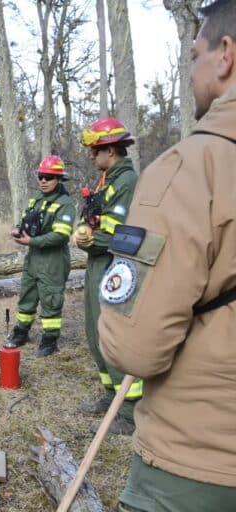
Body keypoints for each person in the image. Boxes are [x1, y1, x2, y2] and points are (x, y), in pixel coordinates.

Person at [100, 2, 236, 509]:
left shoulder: (192, 168)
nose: (191, 69)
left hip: (200, 465)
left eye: (195, 54)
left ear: (225, 54)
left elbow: (137, 347)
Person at [73, 116, 140, 435]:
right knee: (94, 330)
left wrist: (91, 239)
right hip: (98, 262)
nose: (91, 155)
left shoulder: (126, 181)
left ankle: (129, 411)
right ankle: (111, 394)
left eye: (95, 150)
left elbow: (115, 232)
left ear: (110, 150)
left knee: (112, 334)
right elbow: (94, 218)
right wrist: (84, 231)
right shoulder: (106, 179)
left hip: (115, 265)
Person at [4, 156, 75, 357]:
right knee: (27, 296)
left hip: (53, 261)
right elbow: (26, 220)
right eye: (41, 176)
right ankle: (21, 333)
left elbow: (61, 236)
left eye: (49, 177)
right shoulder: (36, 199)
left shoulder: (65, 204)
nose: (43, 180)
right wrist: (18, 230)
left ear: (59, 179)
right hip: (33, 259)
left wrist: (32, 241)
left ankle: (50, 341)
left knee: (51, 300)